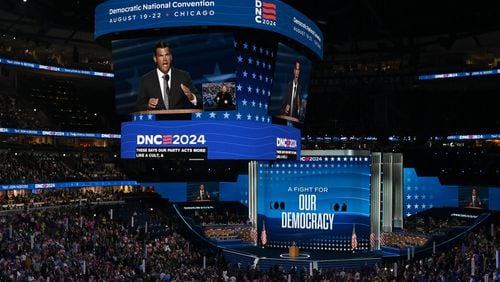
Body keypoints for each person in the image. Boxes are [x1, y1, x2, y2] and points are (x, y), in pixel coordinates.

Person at [136, 41, 201, 111]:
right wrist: (148, 106)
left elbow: (200, 101)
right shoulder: (146, 79)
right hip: (157, 121)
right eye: (161, 56)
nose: (164, 59)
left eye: (167, 55)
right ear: (155, 59)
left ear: (171, 57)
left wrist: (191, 97)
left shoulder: (183, 76)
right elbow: (139, 107)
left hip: (179, 120)